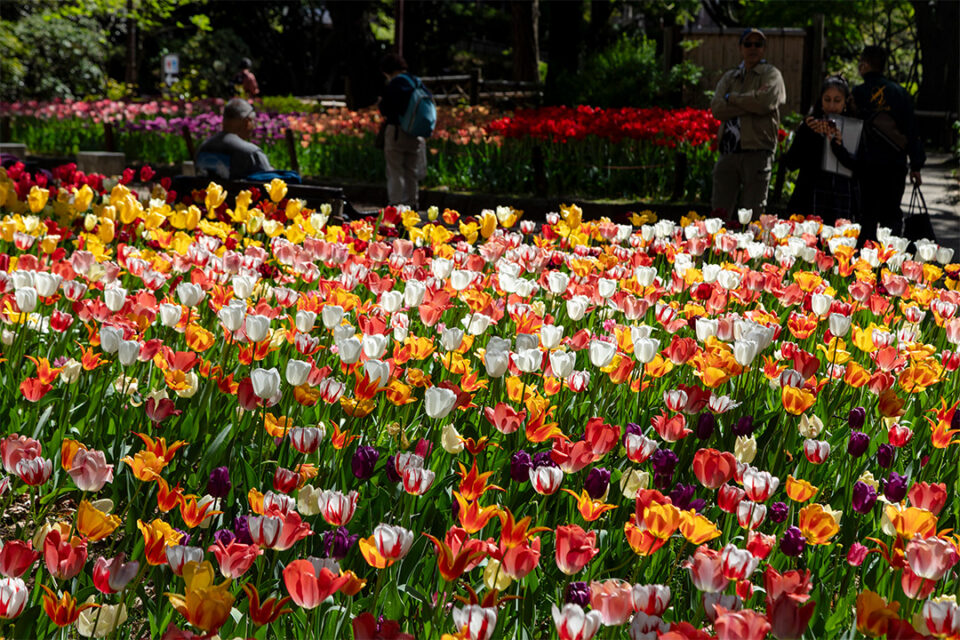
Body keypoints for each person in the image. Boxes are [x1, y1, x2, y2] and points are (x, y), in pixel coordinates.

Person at [710, 28, 787, 224]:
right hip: (728, 152)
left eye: (758, 44)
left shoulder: (771, 74)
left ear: (764, 49)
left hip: (758, 151)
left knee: (753, 215)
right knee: (719, 213)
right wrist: (751, 103)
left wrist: (733, 99)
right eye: (748, 44)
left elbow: (765, 102)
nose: (753, 48)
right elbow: (717, 109)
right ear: (740, 47)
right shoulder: (730, 77)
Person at [851, 45, 925, 242]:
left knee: (867, 215)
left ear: (865, 64)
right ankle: (891, 259)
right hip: (895, 164)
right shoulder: (899, 93)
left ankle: (865, 262)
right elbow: (912, 130)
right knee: (891, 215)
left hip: (865, 166)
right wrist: (916, 165)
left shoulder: (857, 93)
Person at [782, 76, 861, 225]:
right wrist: (809, 134)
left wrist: (838, 146)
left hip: (842, 195)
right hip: (812, 194)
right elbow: (792, 162)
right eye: (827, 99)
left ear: (845, 102)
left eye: (837, 100)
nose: (832, 105)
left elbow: (858, 168)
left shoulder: (853, 128)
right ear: (821, 101)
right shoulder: (810, 124)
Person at [378, 53, 427, 209]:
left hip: (397, 132)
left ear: (387, 71)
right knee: (410, 171)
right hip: (416, 133)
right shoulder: (416, 82)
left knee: (395, 170)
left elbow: (386, 109)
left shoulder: (395, 84)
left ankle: (395, 205)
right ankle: (412, 204)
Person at [196, 98, 273, 180]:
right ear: (246, 121)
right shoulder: (252, 153)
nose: (253, 126)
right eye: (252, 121)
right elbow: (269, 185)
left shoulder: (203, 148)